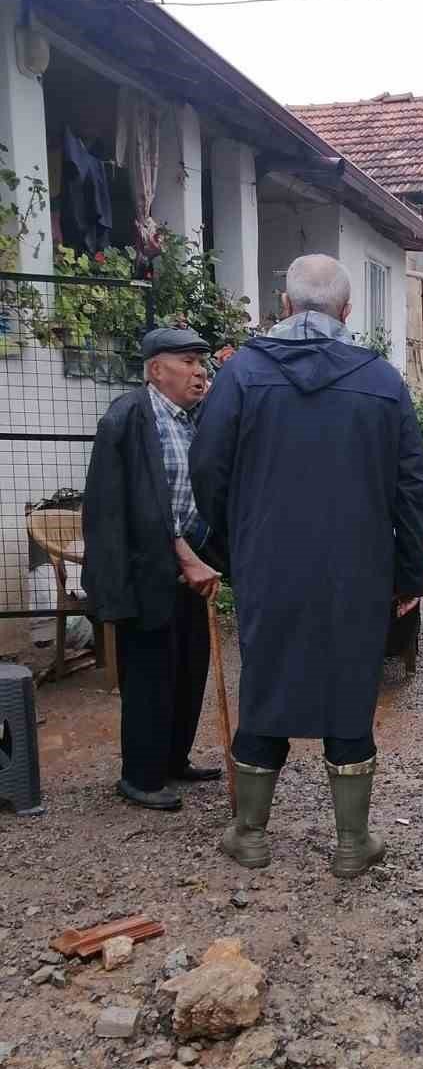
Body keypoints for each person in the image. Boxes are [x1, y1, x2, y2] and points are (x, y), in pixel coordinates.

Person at [190, 253, 423, 879]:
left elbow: (207, 471)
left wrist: (229, 545)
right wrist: (409, 573)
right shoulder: (382, 382)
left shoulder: (241, 375)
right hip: (358, 571)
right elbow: (413, 489)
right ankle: (352, 844)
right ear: (347, 311)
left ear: (285, 305)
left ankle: (250, 836)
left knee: (267, 683)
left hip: (267, 564)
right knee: (349, 693)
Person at [82, 327, 223, 810]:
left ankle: (173, 760)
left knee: (189, 668)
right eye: (187, 361)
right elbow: (122, 508)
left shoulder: (193, 419)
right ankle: (140, 775)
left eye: (202, 363)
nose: (199, 371)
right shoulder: (128, 418)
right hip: (148, 570)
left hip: (193, 568)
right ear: (156, 368)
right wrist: (179, 555)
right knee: (150, 675)